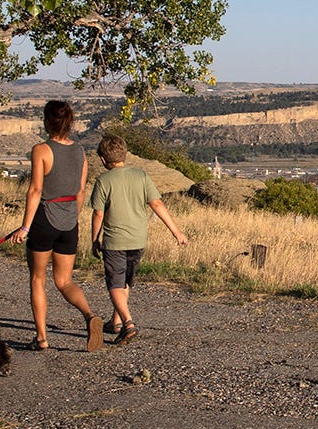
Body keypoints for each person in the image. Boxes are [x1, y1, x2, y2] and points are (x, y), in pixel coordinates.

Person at [12, 100, 102, 351]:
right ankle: (89, 315)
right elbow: (81, 191)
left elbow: (36, 190)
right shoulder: (80, 151)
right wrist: (73, 219)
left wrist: (25, 227)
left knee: (38, 278)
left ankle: (41, 337)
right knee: (64, 281)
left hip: (44, 218)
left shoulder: (41, 149)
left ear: (46, 120)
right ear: (70, 122)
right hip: (68, 221)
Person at [86, 131, 188, 344]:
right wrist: (176, 231)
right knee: (125, 282)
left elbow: (98, 213)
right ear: (125, 155)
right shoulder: (141, 176)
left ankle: (128, 323)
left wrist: (95, 239)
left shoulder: (103, 180)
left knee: (114, 283)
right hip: (138, 239)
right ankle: (116, 321)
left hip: (114, 240)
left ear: (103, 160)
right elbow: (157, 204)